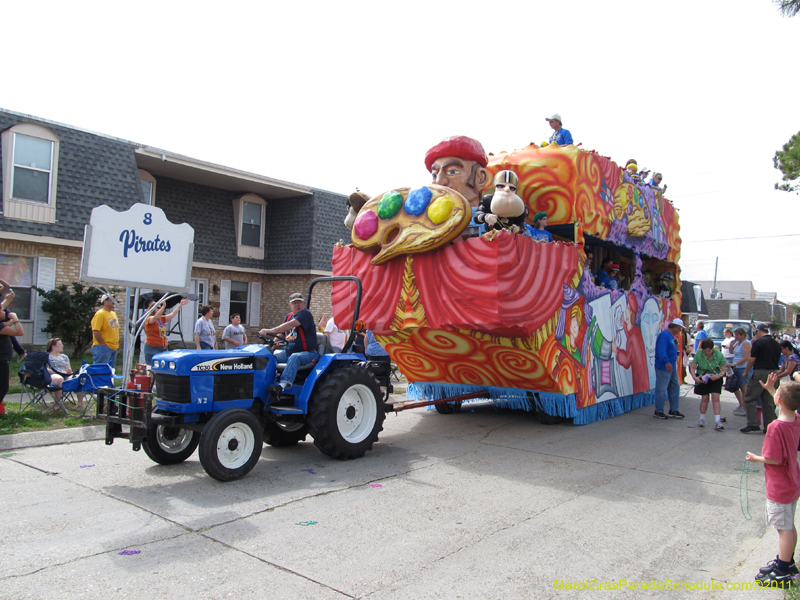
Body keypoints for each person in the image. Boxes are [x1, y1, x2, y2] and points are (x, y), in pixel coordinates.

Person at [745, 374, 800, 587]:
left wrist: (756, 458)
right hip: (792, 482)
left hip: (780, 486)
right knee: (788, 524)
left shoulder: (774, 427)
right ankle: (786, 561)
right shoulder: (795, 419)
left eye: (776, 392)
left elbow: (773, 459)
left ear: (778, 401)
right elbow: (786, 406)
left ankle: (783, 571)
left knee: (783, 528)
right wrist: (772, 389)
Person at [260, 292, 318, 399]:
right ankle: (264, 383)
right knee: (269, 358)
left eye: (299, 302)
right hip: (288, 352)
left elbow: (290, 325)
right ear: (290, 305)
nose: (297, 305)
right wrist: (271, 349)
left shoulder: (305, 314)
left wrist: (268, 330)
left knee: (295, 357)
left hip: (308, 353)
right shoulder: (289, 316)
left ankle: (281, 387)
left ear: (304, 303)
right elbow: (281, 334)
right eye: (294, 303)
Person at [424, 136, 490, 208]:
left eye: (452, 172)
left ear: (480, 178)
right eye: (434, 175)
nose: (439, 181)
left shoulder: (488, 218)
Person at [741, 324, 783, 434]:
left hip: (760, 371)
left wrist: (746, 371)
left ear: (759, 332)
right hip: (773, 371)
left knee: (750, 398)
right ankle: (769, 425)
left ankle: (753, 423)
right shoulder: (776, 344)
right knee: (768, 400)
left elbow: (751, 359)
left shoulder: (759, 343)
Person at [690, 339, 728, 430]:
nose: (707, 353)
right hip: (703, 377)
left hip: (715, 377)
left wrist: (718, 376)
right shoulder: (699, 353)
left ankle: (718, 421)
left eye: (709, 351)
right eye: (705, 351)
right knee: (704, 398)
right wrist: (695, 377)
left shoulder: (718, 354)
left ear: (712, 349)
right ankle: (702, 418)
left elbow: (723, 370)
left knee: (715, 398)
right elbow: (693, 366)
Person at [653, 318, 686, 419]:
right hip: (664, 367)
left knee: (675, 387)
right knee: (661, 389)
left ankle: (673, 409)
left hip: (671, 367)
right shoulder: (664, 335)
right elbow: (661, 351)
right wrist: (666, 361)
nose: (680, 331)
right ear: (675, 326)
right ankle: (658, 410)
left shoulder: (670, 336)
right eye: (679, 328)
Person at [144, 298, 189, 362]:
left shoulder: (161, 319)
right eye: (158, 308)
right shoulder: (149, 319)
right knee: (151, 367)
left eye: (160, 307)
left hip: (163, 346)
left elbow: (172, 314)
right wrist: (163, 306)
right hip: (152, 347)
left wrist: (180, 305)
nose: (160, 309)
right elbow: (155, 317)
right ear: (153, 309)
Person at [0, 308, 24, 414]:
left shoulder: (2, 326)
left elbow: (7, 325)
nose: (5, 312)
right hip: (1, 360)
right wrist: (16, 319)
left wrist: (12, 321)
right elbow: (19, 332)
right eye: (2, 310)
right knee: (3, 387)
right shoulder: (0, 326)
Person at [46, 337, 77, 408]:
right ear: (53, 346)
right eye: (60, 344)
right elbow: (45, 369)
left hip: (65, 375)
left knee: (78, 378)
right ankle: (58, 404)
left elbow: (69, 370)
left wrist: (68, 371)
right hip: (53, 375)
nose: (62, 345)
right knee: (60, 379)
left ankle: (80, 406)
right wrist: (57, 372)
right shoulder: (47, 357)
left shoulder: (64, 357)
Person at [91, 294, 120, 367]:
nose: (114, 301)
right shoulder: (100, 314)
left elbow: (115, 330)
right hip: (103, 347)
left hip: (113, 347)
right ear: (105, 301)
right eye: (111, 299)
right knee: (100, 369)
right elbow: (96, 330)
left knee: (110, 370)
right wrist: (102, 344)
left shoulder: (113, 314)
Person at [730, 327, 752, 416]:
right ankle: (742, 405)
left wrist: (735, 363)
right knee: (736, 387)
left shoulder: (746, 343)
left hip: (743, 367)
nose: (736, 337)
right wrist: (732, 344)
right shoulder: (738, 343)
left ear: (742, 335)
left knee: (744, 389)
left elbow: (746, 357)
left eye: (737, 335)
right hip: (737, 367)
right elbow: (731, 352)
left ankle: (746, 408)